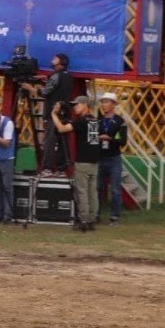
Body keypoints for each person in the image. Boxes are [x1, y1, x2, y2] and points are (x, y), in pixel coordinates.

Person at [51, 96, 101, 232]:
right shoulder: (95, 120)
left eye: (77, 105)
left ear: (85, 105)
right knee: (92, 192)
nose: (75, 107)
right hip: (94, 161)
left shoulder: (81, 121)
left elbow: (61, 129)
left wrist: (54, 114)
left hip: (83, 161)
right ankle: (92, 219)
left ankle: (83, 220)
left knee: (82, 192)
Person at [22, 53, 73, 176]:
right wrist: (47, 81)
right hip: (65, 113)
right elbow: (57, 90)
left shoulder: (56, 76)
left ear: (61, 62)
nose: (52, 60)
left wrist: (30, 88)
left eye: (55, 59)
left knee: (49, 141)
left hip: (53, 114)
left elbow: (45, 93)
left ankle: (47, 169)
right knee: (62, 142)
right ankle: (61, 170)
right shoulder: (69, 76)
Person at [94, 92, 128, 225]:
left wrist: (110, 139)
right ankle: (96, 214)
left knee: (115, 189)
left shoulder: (120, 121)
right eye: (103, 102)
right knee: (98, 188)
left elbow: (123, 141)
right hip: (100, 157)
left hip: (114, 158)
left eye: (107, 102)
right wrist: (97, 138)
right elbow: (91, 138)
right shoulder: (98, 120)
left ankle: (115, 217)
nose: (104, 105)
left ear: (113, 104)